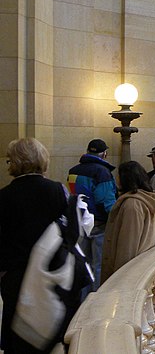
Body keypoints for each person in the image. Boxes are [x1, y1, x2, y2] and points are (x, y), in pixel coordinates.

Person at [0, 138, 68, 353]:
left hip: (16, 276)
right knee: (51, 329)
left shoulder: (4, 197)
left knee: (18, 332)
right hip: (52, 272)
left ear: (14, 162)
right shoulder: (58, 191)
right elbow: (69, 232)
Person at [67, 138, 117, 293]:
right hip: (99, 222)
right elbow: (106, 200)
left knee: (84, 262)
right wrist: (115, 218)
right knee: (99, 264)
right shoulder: (102, 172)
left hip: (80, 221)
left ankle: (83, 300)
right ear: (104, 154)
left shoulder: (73, 170)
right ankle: (95, 301)